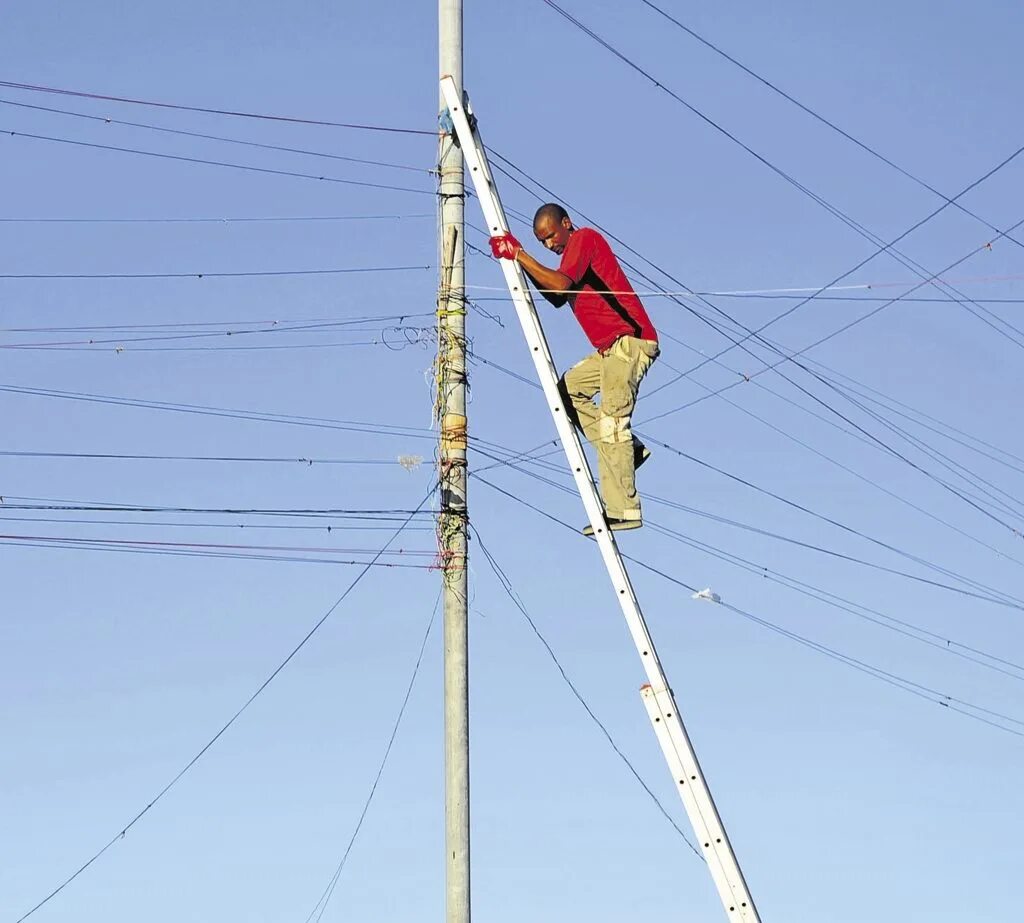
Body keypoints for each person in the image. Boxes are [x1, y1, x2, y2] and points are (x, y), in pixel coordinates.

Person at [490, 203, 660, 534]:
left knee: (612, 424)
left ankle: (625, 510)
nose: (549, 244)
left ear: (566, 224)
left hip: (629, 342)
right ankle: (630, 451)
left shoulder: (584, 240)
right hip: (609, 350)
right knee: (566, 393)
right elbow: (556, 296)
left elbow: (559, 287)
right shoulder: (570, 259)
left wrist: (520, 254)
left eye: (551, 235)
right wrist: (521, 261)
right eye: (542, 242)